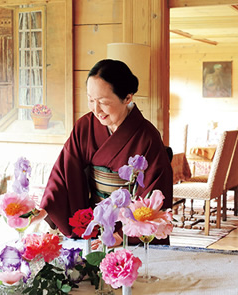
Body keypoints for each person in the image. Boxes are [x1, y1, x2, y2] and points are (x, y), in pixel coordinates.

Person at [37, 59, 174, 246]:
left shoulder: (147, 137)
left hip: (129, 230)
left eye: (103, 102)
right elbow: (64, 171)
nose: (96, 109)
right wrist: (46, 208)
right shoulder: (84, 126)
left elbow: (154, 193)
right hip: (95, 225)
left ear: (127, 98)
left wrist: (119, 236)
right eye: (91, 100)